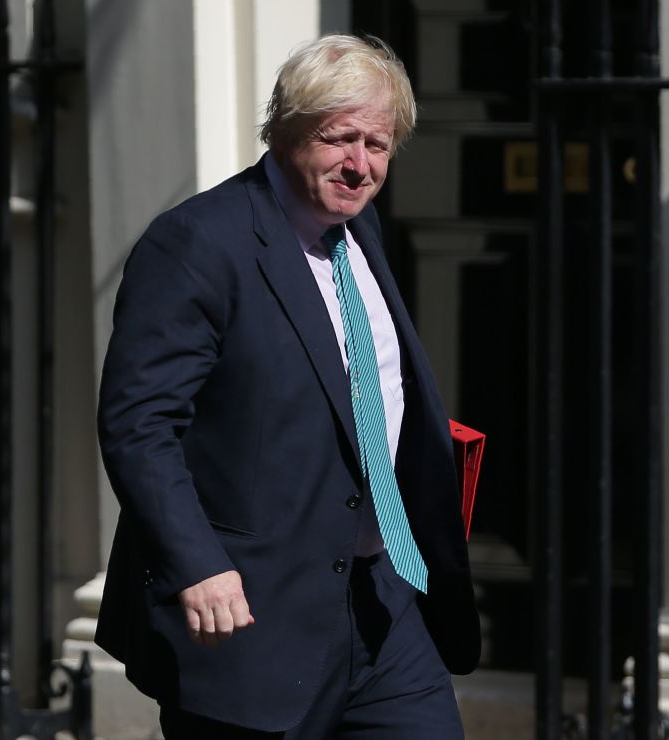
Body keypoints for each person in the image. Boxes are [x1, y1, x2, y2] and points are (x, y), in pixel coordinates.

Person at [95, 33, 480, 739]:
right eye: (341, 139)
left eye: (379, 145)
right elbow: (138, 423)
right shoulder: (199, 243)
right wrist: (197, 565)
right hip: (250, 618)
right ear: (285, 127)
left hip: (382, 607)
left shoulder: (357, 232)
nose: (361, 166)